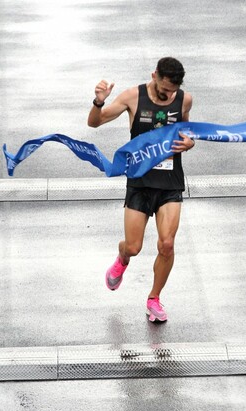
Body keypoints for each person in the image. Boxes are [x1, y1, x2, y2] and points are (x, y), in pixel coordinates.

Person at [87, 57, 194, 322]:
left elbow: (187, 132)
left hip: (170, 182)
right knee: (134, 247)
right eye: (164, 89)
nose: (168, 95)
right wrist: (99, 101)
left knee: (167, 244)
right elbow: (95, 122)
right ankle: (122, 258)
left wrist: (190, 143)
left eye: (172, 91)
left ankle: (154, 298)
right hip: (140, 182)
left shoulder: (184, 100)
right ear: (154, 75)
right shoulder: (133, 96)